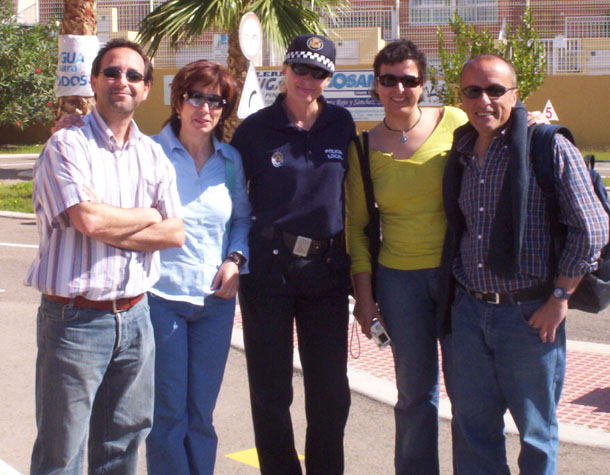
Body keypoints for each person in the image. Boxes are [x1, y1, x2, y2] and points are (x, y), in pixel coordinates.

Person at [437, 54, 609, 474]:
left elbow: (592, 228)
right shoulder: (460, 147)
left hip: (530, 318)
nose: (484, 100)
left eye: (496, 90)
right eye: (473, 91)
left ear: (515, 94)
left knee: (535, 435)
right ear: (461, 96)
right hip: (469, 313)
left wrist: (560, 296)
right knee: (473, 432)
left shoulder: (545, 144)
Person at [25, 38, 185, 474]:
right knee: (62, 452)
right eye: (112, 72)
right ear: (94, 80)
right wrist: (148, 214)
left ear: (147, 88)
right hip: (74, 322)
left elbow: (174, 233)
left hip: (136, 319)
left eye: (134, 75)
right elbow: (89, 221)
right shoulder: (67, 146)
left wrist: (122, 223)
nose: (122, 82)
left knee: (123, 448)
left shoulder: (153, 154)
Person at [230, 34, 355, 475]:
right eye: (300, 69)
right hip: (269, 270)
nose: (308, 79)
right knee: (270, 389)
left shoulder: (342, 124)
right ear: (284, 70)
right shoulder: (254, 130)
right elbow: (229, 194)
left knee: (329, 391)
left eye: (319, 72)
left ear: (329, 78)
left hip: (325, 271)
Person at [345, 39, 468, 474]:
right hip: (399, 282)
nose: (400, 89)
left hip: (459, 278)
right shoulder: (362, 148)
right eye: (389, 80)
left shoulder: (455, 121)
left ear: (423, 84)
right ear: (375, 86)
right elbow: (358, 231)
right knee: (415, 394)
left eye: (410, 80)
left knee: (468, 392)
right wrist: (365, 298)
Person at [144, 60, 251, 474]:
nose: (205, 108)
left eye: (216, 101)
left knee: (201, 414)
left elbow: (243, 219)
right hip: (161, 299)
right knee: (168, 414)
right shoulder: (151, 153)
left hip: (215, 304)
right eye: (196, 97)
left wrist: (235, 259)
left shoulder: (230, 161)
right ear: (178, 100)